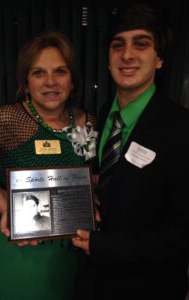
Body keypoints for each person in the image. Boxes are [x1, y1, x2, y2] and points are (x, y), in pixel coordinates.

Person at [0, 30, 98, 300]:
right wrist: (8, 208)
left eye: (60, 71)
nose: (51, 82)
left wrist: (90, 202)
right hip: (15, 248)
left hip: (68, 251)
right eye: (39, 73)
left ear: (72, 80)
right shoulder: (7, 121)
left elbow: (92, 175)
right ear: (26, 82)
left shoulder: (88, 122)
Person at [72, 4, 189, 300]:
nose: (127, 55)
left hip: (148, 286)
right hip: (92, 281)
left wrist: (104, 246)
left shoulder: (181, 128)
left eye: (141, 43)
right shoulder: (102, 117)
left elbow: (180, 232)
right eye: (117, 45)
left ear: (159, 59)